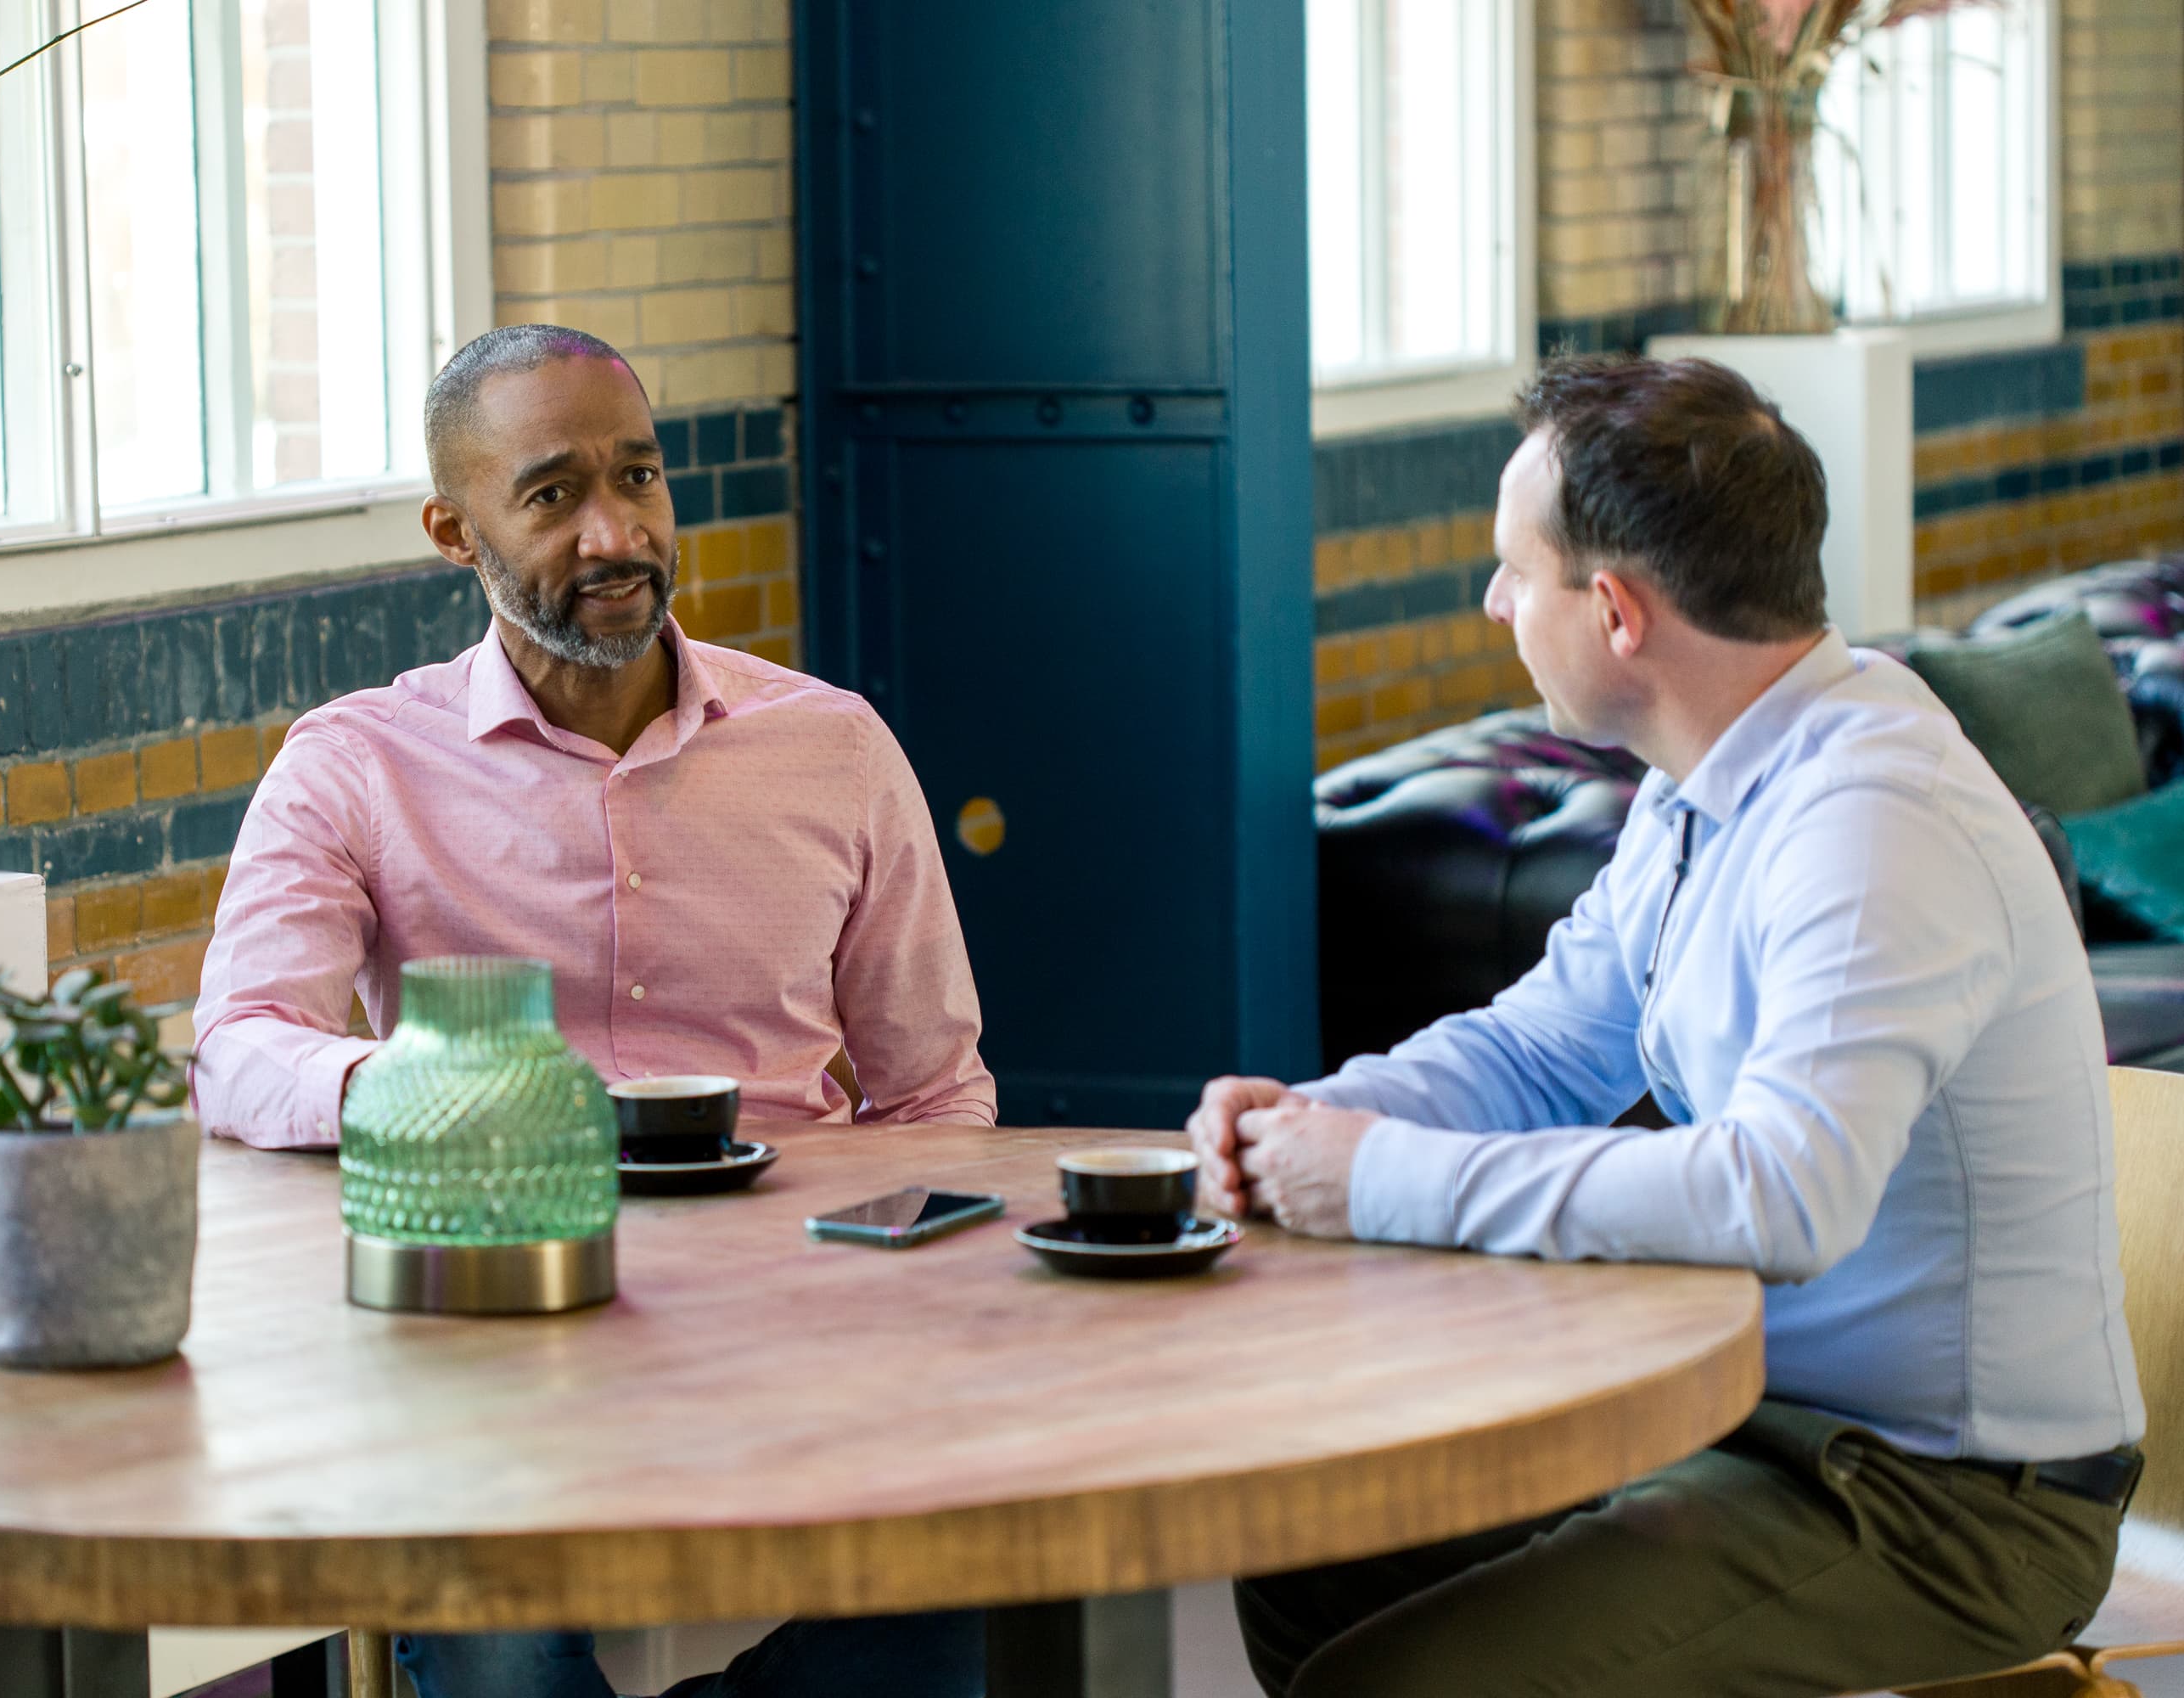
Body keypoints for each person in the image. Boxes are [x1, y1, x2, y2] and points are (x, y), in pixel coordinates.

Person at [1190, 355, 2145, 1698]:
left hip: (1950, 1505)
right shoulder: (1711, 785)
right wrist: (1320, 1119)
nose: (1493, 604)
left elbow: (1781, 1195)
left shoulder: (1876, 822)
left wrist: (1370, 1181)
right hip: (1745, 1421)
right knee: (1308, 1547)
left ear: (1620, 613)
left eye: (1517, 572)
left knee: (1401, 1686)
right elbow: (1540, 1048)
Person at [191, 323, 992, 1697]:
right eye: (554, 495)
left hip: (799, 1338)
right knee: (505, 1656)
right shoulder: (354, 767)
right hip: (497, 1347)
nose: (616, 532)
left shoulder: (836, 746)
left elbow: (937, 1097)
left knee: (943, 1610)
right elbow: (240, 1051)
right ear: (457, 530)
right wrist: (442, 1095)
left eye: (641, 477)